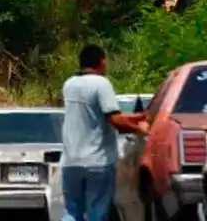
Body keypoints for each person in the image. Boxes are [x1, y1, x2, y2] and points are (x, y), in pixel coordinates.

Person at [60, 44, 150, 221]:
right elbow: (115, 120)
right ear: (101, 62)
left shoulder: (69, 85)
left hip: (70, 162)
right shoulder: (101, 83)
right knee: (96, 213)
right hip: (97, 162)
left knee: (72, 212)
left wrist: (137, 116)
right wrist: (139, 128)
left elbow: (96, 114)